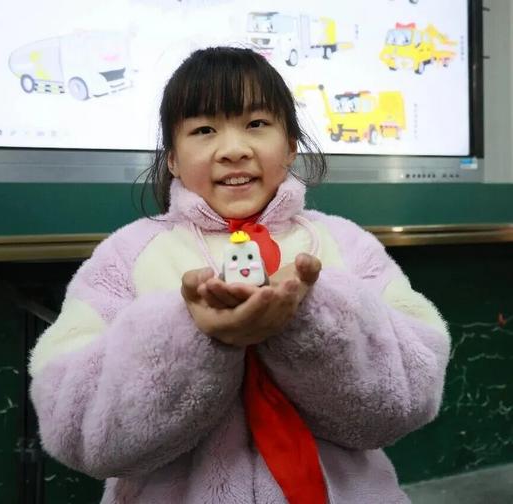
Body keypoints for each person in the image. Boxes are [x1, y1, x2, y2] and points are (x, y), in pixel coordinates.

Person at [29, 46, 450, 504]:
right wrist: (192, 332)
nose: (234, 150)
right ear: (173, 158)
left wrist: (311, 316)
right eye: (204, 130)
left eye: (257, 124)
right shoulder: (126, 256)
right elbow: (69, 420)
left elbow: (415, 387)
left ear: (290, 145)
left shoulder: (345, 244)